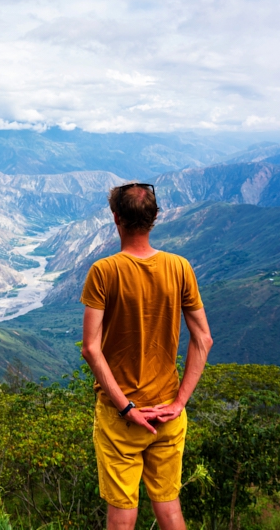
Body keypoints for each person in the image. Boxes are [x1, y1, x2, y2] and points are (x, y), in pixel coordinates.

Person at [81, 182, 213, 530]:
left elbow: (91, 348)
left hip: (120, 417)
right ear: (154, 218)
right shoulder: (180, 267)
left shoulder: (104, 272)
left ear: (116, 219)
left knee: (122, 517)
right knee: (169, 509)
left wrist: (126, 407)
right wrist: (179, 403)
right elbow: (203, 339)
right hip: (167, 413)